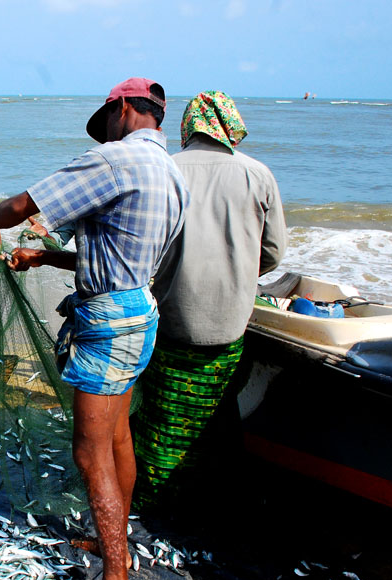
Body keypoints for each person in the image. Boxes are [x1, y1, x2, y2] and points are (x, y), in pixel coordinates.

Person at [0, 77, 188, 580]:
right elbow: (116, 256)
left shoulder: (114, 160)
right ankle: (108, 537)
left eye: (107, 118)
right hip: (139, 313)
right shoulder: (172, 173)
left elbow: (27, 203)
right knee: (118, 439)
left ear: (121, 109)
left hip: (108, 327)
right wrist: (44, 260)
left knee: (90, 453)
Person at [131, 91, 286, 509]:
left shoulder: (167, 168)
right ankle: (207, 489)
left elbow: (142, 243)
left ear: (190, 124)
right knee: (213, 412)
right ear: (229, 125)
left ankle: (152, 494)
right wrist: (235, 275)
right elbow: (272, 252)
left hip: (168, 319)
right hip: (230, 323)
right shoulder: (258, 174)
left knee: (161, 413)